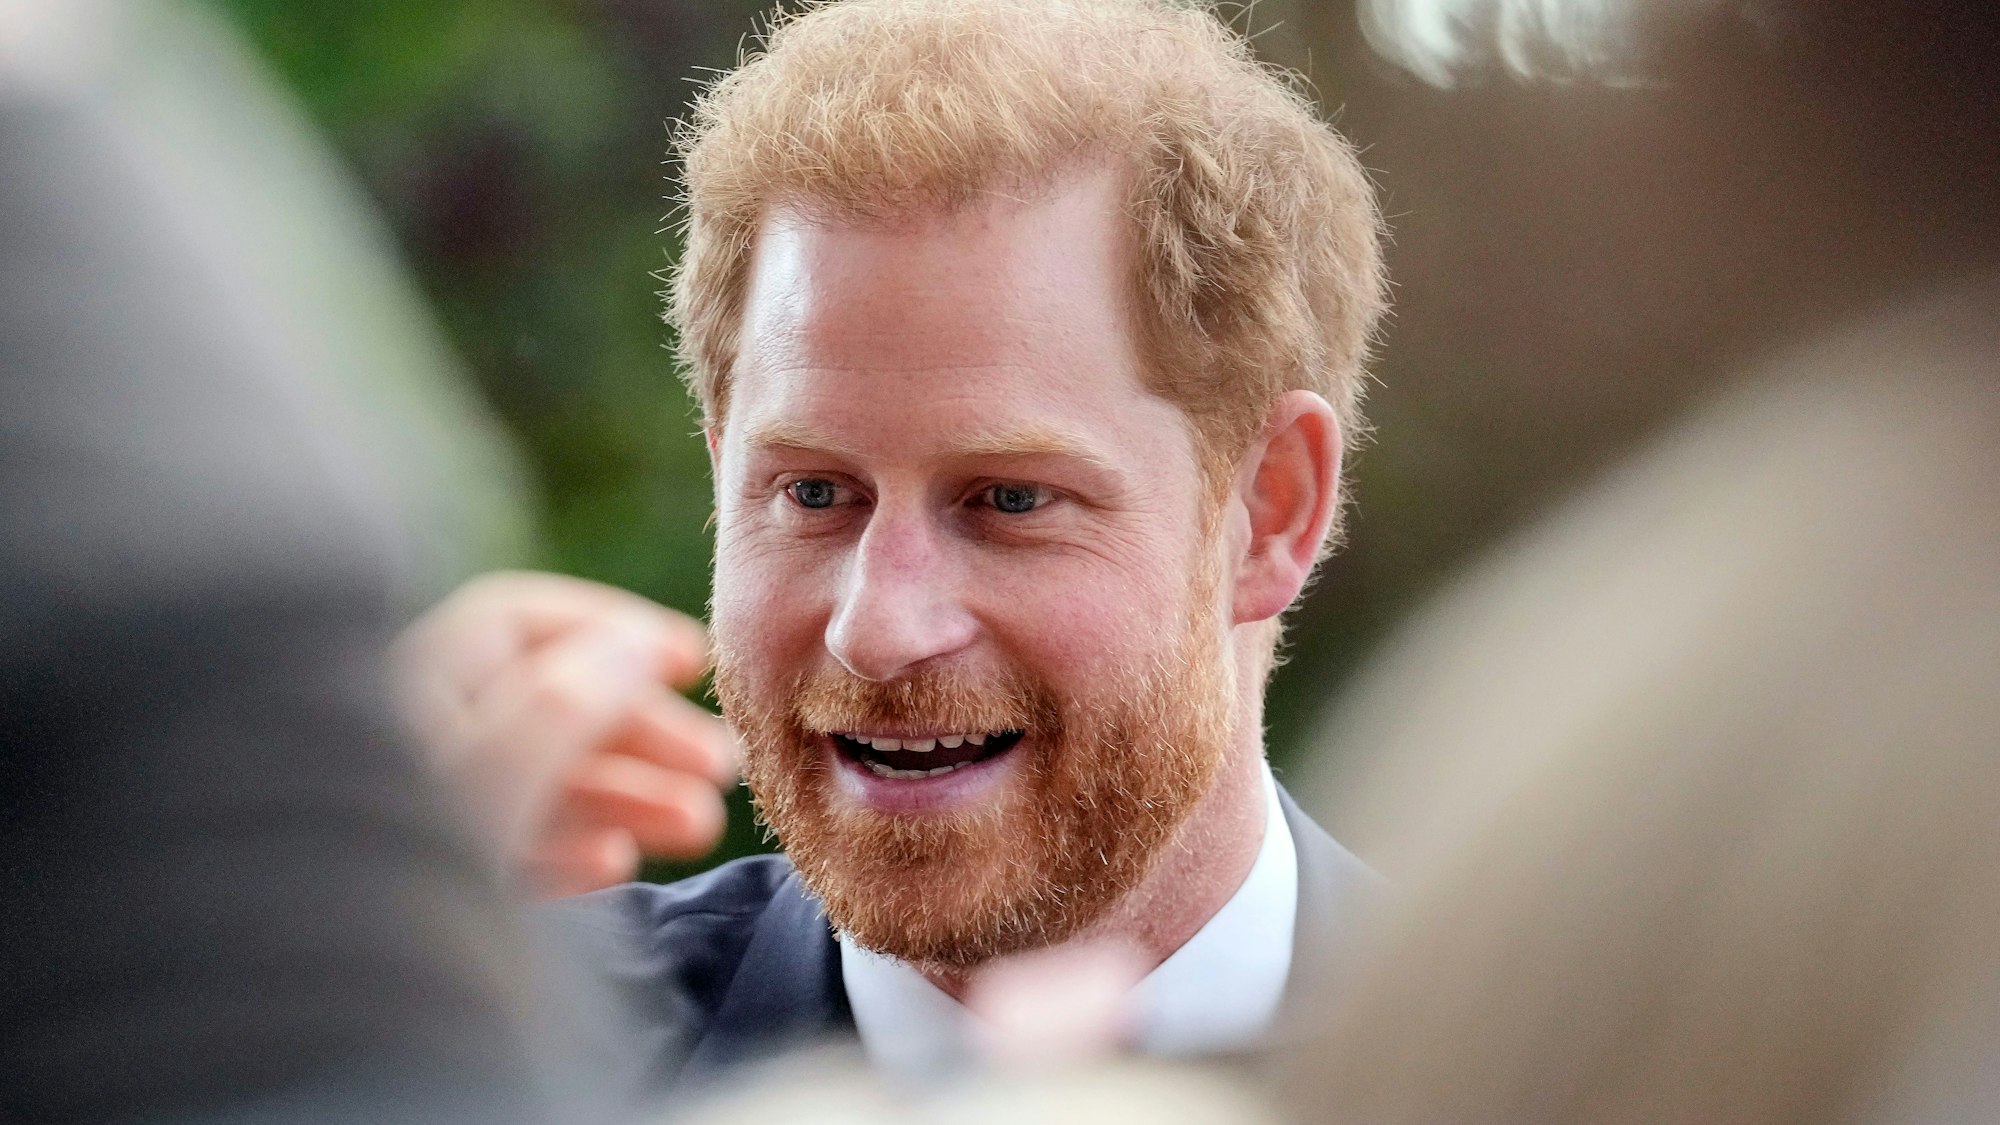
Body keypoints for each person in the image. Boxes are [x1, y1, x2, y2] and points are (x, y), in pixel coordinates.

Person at [397, 0, 1387, 1093]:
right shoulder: (494, 1062)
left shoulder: (1559, 1073)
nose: (876, 627)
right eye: (813, 491)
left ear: (1271, 509)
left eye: (1007, 499)